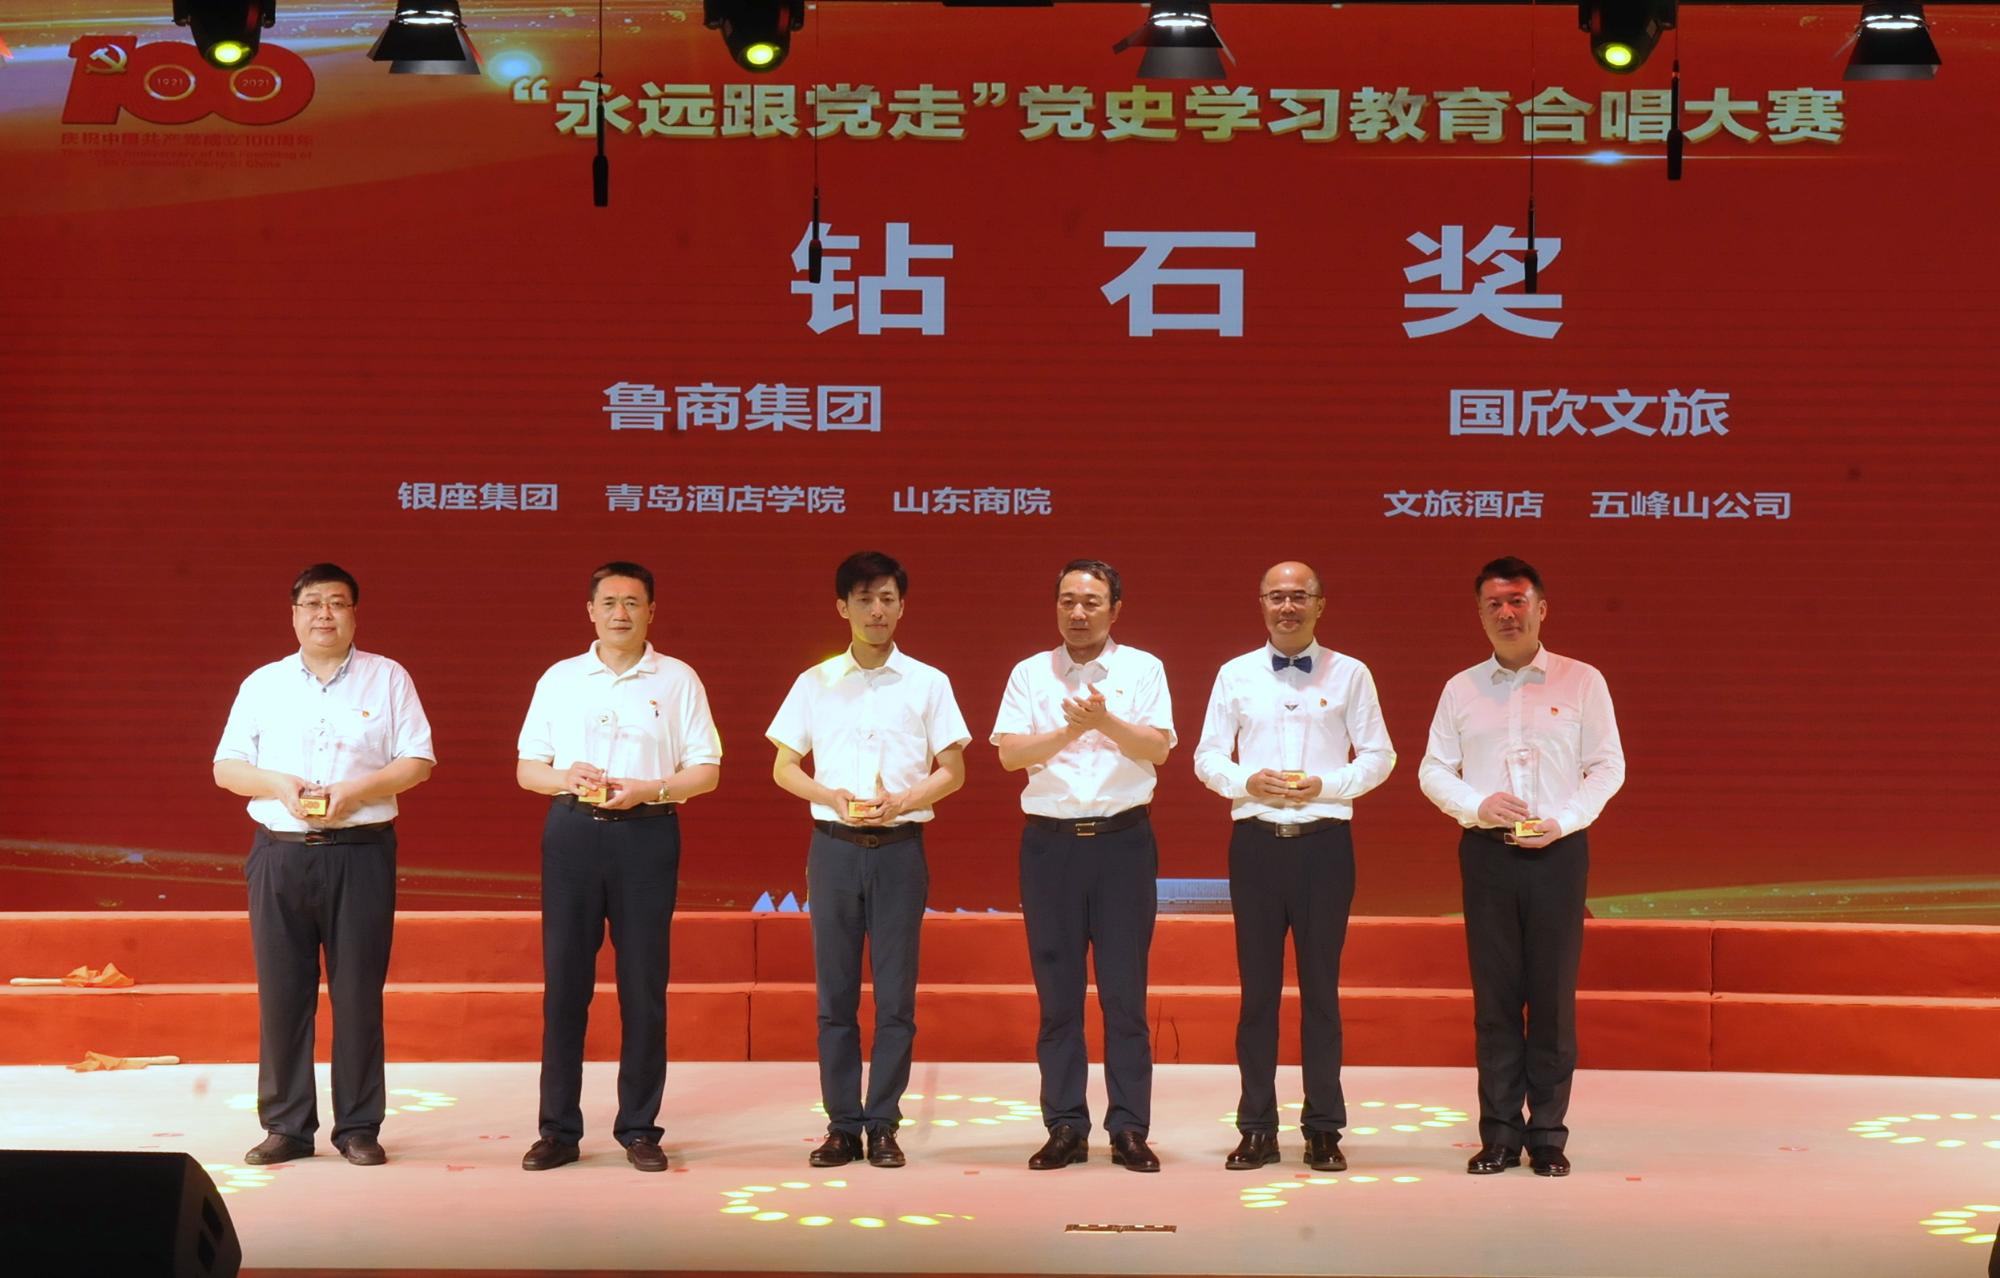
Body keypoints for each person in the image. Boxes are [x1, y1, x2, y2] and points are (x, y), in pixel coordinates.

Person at [213, 563, 436, 1168]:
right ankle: (286, 1126)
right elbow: (226, 768)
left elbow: (417, 761)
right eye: (312, 604)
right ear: (294, 615)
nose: (324, 615)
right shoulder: (263, 684)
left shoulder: (388, 678)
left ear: (354, 614)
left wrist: (356, 791)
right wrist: (278, 784)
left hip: (360, 853)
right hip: (280, 854)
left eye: (337, 603)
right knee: (283, 995)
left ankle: (359, 1127)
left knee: (358, 995)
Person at [1417, 557, 1626, 1178]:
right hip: (1487, 854)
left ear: (1541, 608)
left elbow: (1607, 766)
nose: (1507, 614)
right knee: (1496, 1000)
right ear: (1480, 614)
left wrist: (1565, 819)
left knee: (1553, 999)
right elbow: (1433, 769)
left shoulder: (1582, 681)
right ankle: (1500, 1134)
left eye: (1517, 602)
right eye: (1494, 605)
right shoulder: (1461, 688)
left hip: (1558, 854)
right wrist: (1476, 805)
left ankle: (1549, 1136)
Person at [514, 561, 721, 1173]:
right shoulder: (560, 678)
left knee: (643, 986)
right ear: (590, 611)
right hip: (573, 835)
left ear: (651, 611)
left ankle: (639, 1128)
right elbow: (528, 769)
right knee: (565, 986)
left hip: (647, 836)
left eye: (633, 602)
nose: (621, 614)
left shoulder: (678, 679)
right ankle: (558, 1131)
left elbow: (707, 771)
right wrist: (565, 776)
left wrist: (652, 789)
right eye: (609, 602)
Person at [766, 551, 971, 1169]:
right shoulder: (815, 682)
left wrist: (903, 800)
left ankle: (882, 1123)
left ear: (902, 606)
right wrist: (830, 794)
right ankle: (841, 1126)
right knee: (835, 997)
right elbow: (783, 767)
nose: (876, 610)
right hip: (833, 850)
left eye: (887, 598)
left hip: (900, 851)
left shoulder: (929, 682)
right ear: (842, 608)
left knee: (896, 998)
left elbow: (953, 770)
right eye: (864, 599)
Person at [1193, 560, 1395, 1174]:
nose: (1287, 607)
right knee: (1257, 994)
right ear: (1260, 603)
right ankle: (1256, 1127)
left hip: (1324, 848)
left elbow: (1380, 755)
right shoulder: (1234, 674)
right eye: (1276, 596)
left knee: (1321, 993)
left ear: (1320, 604)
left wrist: (1326, 785)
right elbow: (1207, 756)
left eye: (1299, 596)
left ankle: (1324, 1128)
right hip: (1255, 845)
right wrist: (1244, 780)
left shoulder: (1351, 673)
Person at [992, 559, 1175, 1173]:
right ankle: (1065, 1126)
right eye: (1067, 601)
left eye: (1091, 602)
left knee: (1125, 996)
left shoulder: (1143, 668)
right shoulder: (1029, 673)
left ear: (1115, 610)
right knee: (1058, 997)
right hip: (1051, 848)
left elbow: (1157, 748)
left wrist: (1104, 722)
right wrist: (1069, 733)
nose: (1077, 613)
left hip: (1123, 845)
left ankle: (1129, 1128)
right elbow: (1009, 754)